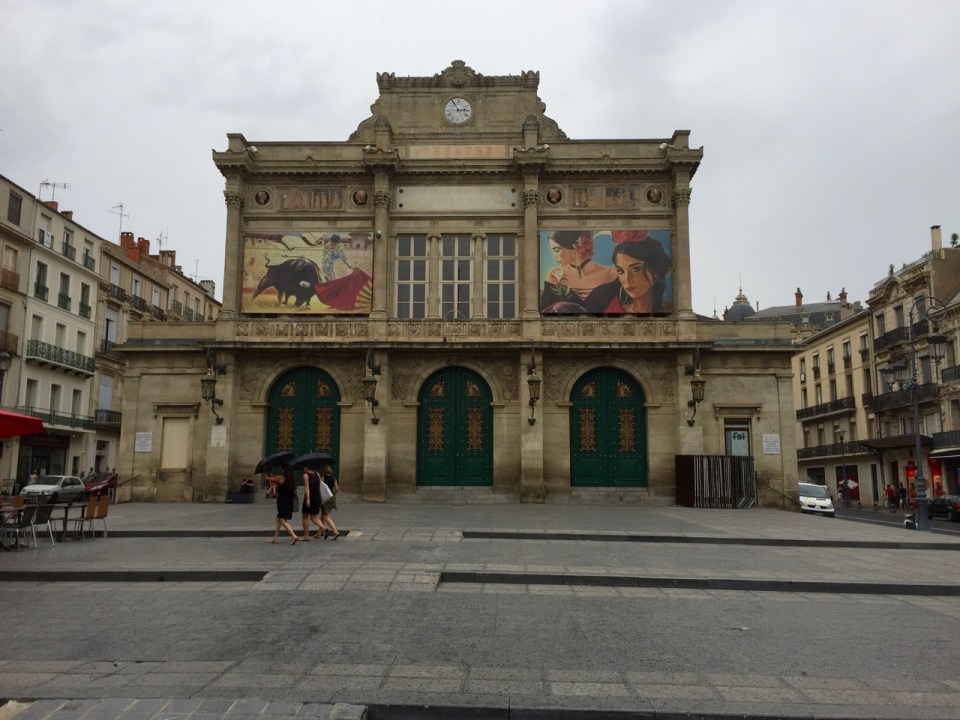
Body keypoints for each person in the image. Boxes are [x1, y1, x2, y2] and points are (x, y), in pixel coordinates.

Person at [595, 231, 672, 314]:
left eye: (635, 269)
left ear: (654, 269)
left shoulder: (671, 312)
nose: (627, 279)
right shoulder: (612, 310)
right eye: (620, 271)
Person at [540, 231, 616, 314]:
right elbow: (544, 312)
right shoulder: (554, 274)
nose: (554, 256)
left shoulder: (611, 274)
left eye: (557, 250)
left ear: (574, 248)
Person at [268, 465, 299, 544]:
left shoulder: (280, 478)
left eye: (282, 469)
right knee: (278, 519)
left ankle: (294, 535)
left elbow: (268, 478)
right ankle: (275, 538)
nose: (281, 471)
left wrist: (265, 471)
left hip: (282, 502)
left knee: (282, 520)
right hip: (289, 502)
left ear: (284, 470)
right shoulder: (292, 479)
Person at [300, 463, 324, 541]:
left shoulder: (305, 475)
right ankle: (323, 528)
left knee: (305, 516)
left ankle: (306, 536)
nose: (303, 469)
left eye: (304, 467)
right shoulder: (317, 474)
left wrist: (307, 499)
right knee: (314, 517)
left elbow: (307, 488)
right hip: (317, 497)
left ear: (306, 467)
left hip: (310, 497)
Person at [318, 464, 340, 540]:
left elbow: (319, 487)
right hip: (331, 497)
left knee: (326, 516)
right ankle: (319, 533)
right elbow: (337, 489)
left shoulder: (322, 478)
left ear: (323, 470)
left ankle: (335, 531)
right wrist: (332, 493)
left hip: (324, 498)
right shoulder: (334, 478)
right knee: (323, 515)